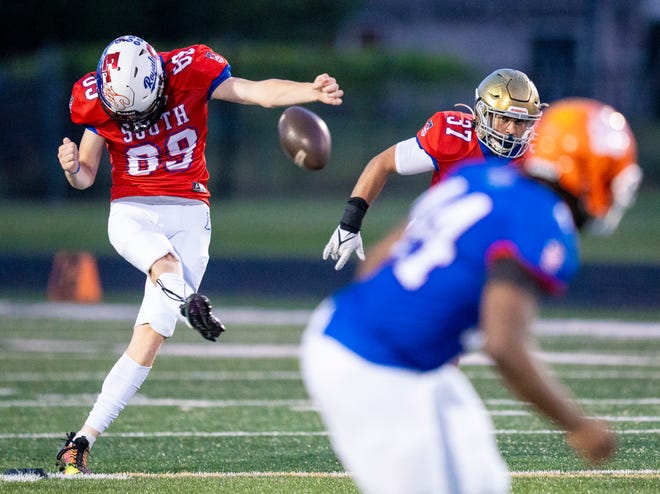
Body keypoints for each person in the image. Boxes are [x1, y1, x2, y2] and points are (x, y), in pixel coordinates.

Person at [301, 98, 642, 494]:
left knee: (482, 480)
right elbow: (503, 344)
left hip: (364, 336)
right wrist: (579, 426)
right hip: (374, 365)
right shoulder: (543, 223)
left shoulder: (476, 177)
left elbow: (374, 264)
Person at [54, 34, 343, 475]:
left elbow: (253, 91)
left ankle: (81, 441)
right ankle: (189, 302)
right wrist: (75, 168)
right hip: (131, 211)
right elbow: (88, 176)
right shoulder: (98, 95)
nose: (133, 121)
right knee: (165, 268)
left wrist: (309, 91)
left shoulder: (190, 69)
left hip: (190, 211)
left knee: (150, 336)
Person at [323, 68, 546, 270]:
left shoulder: (536, 158)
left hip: (489, 249)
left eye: (520, 122)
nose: (511, 131)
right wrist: (350, 224)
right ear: (481, 113)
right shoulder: (451, 137)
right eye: (504, 118)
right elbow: (382, 163)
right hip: (433, 240)